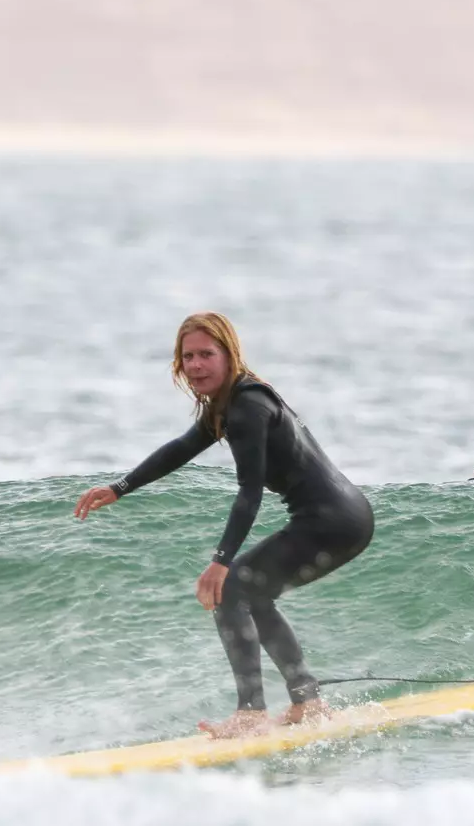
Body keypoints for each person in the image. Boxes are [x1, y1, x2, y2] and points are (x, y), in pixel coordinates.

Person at [74, 313, 375, 739]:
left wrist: (220, 562)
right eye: (188, 357)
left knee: (232, 588)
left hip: (330, 520)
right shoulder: (232, 401)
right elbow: (182, 448)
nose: (195, 365)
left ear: (229, 355)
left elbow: (249, 491)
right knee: (254, 594)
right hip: (344, 517)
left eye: (206, 355)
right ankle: (307, 701)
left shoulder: (247, 406)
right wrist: (120, 487)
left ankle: (251, 713)